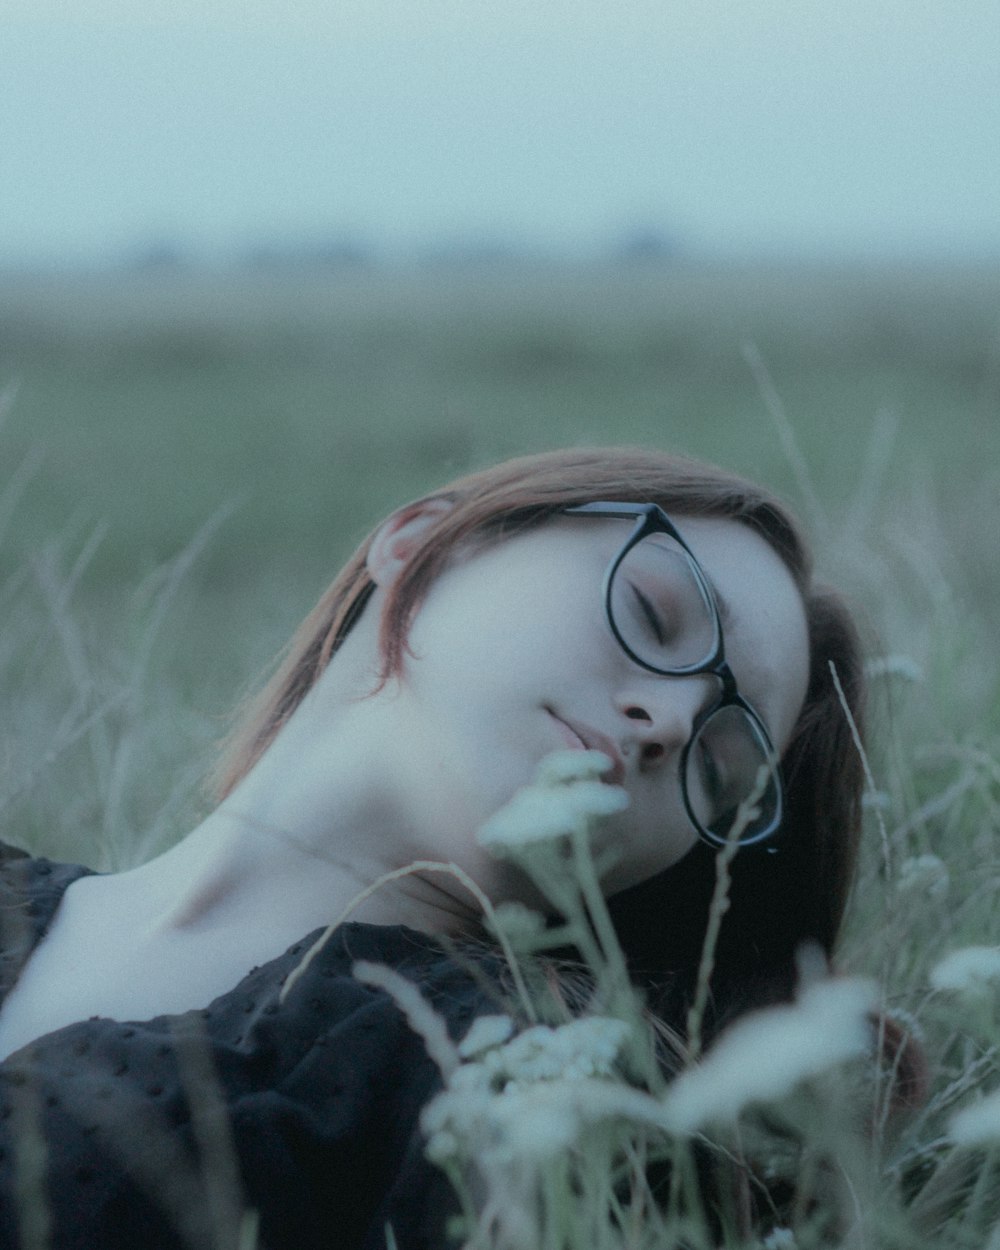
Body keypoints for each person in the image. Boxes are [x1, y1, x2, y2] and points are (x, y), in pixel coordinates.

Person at [0, 447, 866, 1249]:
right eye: (653, 611)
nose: (671, 721)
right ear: (428, 541)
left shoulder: (509, 1095)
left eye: (721, 764)